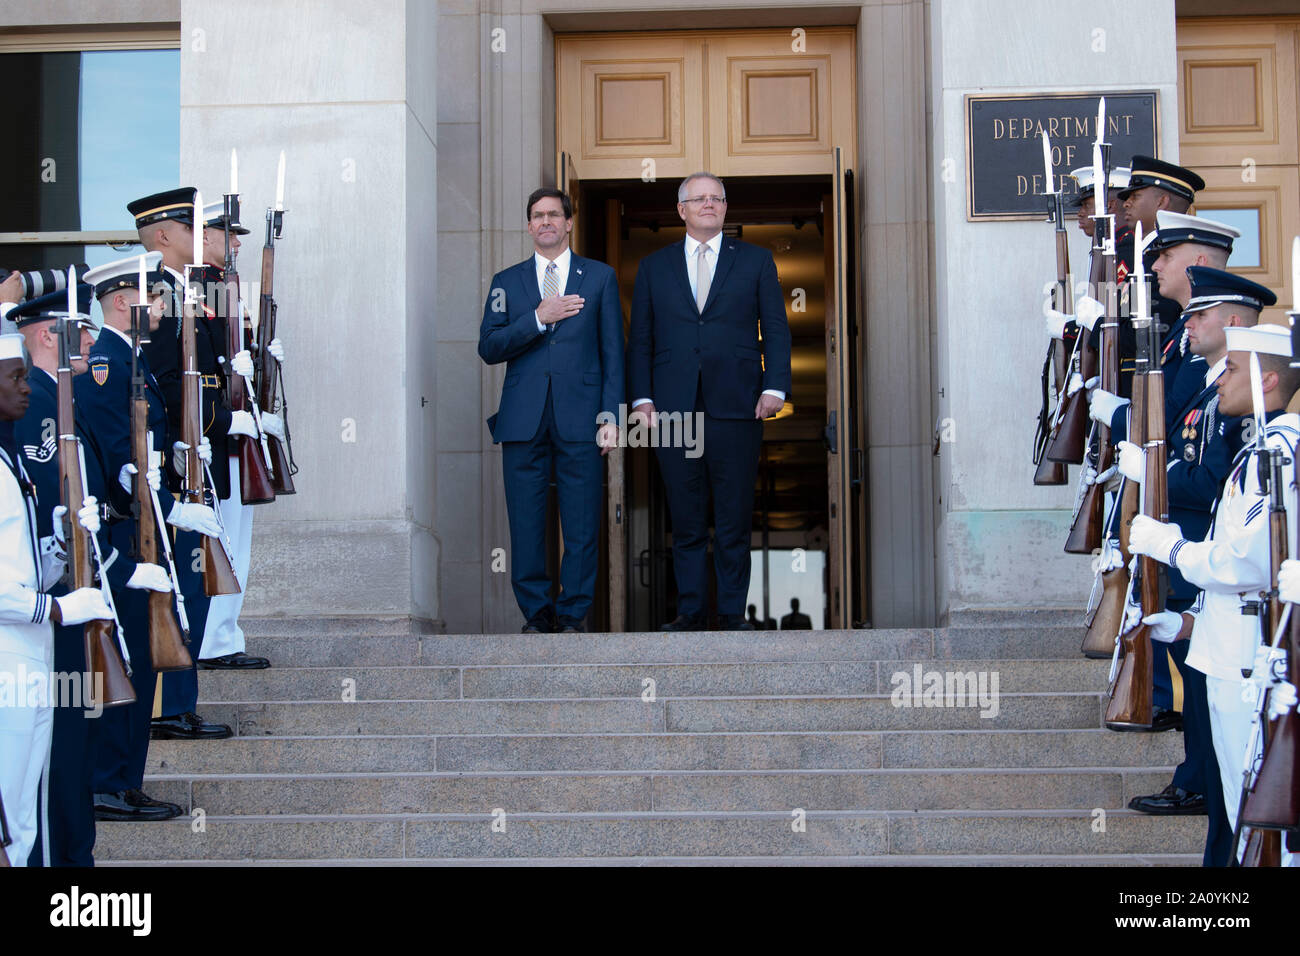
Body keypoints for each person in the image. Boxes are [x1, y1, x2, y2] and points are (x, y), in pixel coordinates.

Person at [1128, 314, 1296, 867]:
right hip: (1228, 649)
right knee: (1238, 815)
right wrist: (1188, 622)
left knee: (1259, 821)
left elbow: (1246, 562)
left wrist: (1170, 547)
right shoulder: (1260, 452)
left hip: (1250, 664)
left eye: (1232, 371)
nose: (1218, 380)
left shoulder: (1279, 454)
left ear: (1267, 380)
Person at [77, 254, 230, 821]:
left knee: (141, 657)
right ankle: (107, 783)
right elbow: (123, 463)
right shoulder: (107, 364)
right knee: (129, 654)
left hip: (145, 530)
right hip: (124, 535)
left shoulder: (129, 358)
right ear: (124, 302)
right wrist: (171, 511)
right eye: (157, 300)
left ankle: (123, 779)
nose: (163, 310)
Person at [627, 172, 791, 631]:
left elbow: (775, 328)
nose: (708, 204)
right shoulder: (653, 267)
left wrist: (775, 387)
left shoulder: (756, 260)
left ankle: (732, 614)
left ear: (725, 208)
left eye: (716, 198)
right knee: (686, 516)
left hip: (737, 404)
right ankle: (691, 611)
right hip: (672, 410)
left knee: (734, 515)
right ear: (681, 210)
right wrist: (642, 399)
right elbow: (640, 339)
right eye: (698, 199)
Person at [127, 187, 271, 674]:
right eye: (192, 228)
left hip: (206, 432)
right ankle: (204, 645)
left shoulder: (184, 288)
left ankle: (213, 640)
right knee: (197, 553)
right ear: (165, 235)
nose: (203, 236)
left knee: (222, 545)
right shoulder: (157, 295)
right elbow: (170, 382)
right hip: (189, 441)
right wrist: (228, 419)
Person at [478, 187, 624, 633]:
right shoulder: (506, 283)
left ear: (569, 222)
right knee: (526, 523)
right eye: (537, 216)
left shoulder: (598, 278)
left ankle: (573, 613)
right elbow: (489, 346)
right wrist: (539, 318)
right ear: (528, 225)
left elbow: (612, 352)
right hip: (523, 419)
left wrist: (611, 417)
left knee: (581, 523)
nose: (546, 222)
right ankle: (538, 615)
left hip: (582, 418)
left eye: (554, 215)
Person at [0, 332, 112, 864]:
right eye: (15, 378)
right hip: (7, 653)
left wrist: (65, 547)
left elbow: (22, 568)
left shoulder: (10, 463)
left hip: (32, 649)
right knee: (9, 807)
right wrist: (60, 608)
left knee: (28, 810)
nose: (26, 390)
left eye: (25, 375)